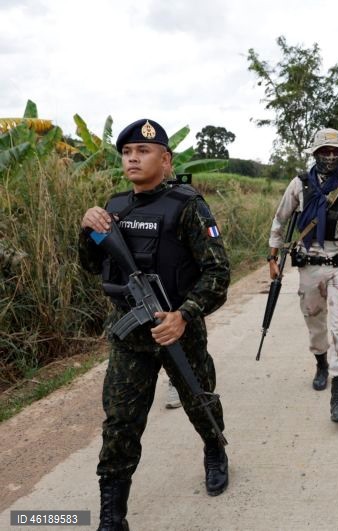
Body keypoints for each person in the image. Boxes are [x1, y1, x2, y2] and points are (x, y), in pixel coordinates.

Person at [78, 119, 231, 530]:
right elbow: (91, 264)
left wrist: (184, 315)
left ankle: (215, 449)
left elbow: (218, 273)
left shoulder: (188, 206)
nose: (132, 158)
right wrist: (87, 230)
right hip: (130, 335)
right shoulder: (113, 207)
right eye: (127, 152)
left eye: (143, 151)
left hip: (180, 330)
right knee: (120, 423)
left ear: (165, 160)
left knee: (200, 399)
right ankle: (113, 515)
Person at [268, 128, 338, 423]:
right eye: (325, 151)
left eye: (335, 152)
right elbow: (280, 220)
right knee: (314, 321)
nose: (330, 157)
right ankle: (321, 362)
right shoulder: (299, 184)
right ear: (316, 154)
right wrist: (272, 257)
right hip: (310, 265)